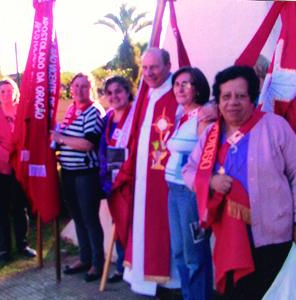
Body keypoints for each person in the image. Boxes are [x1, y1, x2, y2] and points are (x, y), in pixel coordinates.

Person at [183, 65, 296, 300]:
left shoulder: (275, 127)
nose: (232, 102)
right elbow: (190, 170)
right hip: (230, 236)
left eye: (240, 96)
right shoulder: (211, 135)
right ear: (219, 101)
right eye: (226, 96)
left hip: (273, 235)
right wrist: (211, 180)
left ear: (252, 98)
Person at [122, 47, 182, 296]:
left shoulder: (178, 92)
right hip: (144, 178)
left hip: (167, 181)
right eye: (144, 68)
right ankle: (146, 279)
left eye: (154, 67)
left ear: (168, 66)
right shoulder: (147, 94)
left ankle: (170, 285)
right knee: (144, 229)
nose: (148, 73)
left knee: (166, 235)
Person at [51, 73, 105, 282]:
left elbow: (88, 144)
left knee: (90, 218)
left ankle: (97, 264)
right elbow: (68, 140)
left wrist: (61, 138)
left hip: (86, 173)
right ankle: (85, 258)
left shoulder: (94, 111)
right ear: (70, 89)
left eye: (85, 86)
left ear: (90, 89)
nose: (80, 90)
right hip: (68, 171)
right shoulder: (72, 110)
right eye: (77, 86)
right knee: (78, 217)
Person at [165, 67, 213, 300]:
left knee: (194, 255)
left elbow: (205, 157)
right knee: (178, 252)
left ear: (198, 88)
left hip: (190, 193)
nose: (180, 88)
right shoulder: (179, 116)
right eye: (177, 84)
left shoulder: (204, 116)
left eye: (187, 83)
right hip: (173, 191)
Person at [0, 78, 37, 262]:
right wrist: (8, 157)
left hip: (21, 168)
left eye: (10, 90)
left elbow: (31, 136)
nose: (6, 94)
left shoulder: (24, 113)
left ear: (16, 92)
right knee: (2, 210)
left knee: (20, 207)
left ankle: (23, 244)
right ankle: (4, 248)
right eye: (2, 91)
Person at [99, 76, 135, 283]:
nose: (114, 96)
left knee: (133, 223)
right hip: (112, 179)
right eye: (109, 93)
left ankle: (135, 266)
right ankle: (123, 265)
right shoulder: (108, 118)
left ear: (127, 91)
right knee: (118, 221)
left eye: (118, 91)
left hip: (130, 179)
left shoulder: (136, 114)